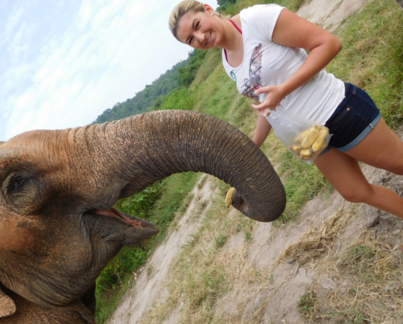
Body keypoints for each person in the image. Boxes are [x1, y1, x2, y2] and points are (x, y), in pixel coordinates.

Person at [169, 0, 403, 219]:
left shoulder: (257, 19)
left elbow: (328, 43)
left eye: (197, 25)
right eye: (190, 39)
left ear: (208, 9)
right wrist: (249, 149)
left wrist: (284, 89)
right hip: (307, 138)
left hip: (336, 109)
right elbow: (268, 105)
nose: (200, 37)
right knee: (355, 192)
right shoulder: (227, 62)